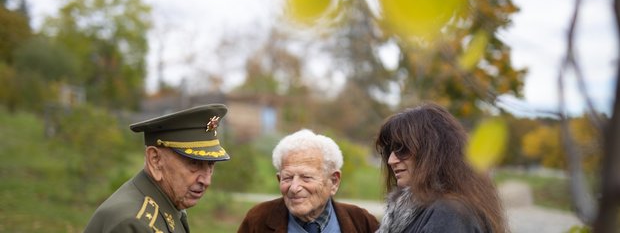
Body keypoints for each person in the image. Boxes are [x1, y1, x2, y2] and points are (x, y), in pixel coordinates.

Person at [84, 104, 231, 233]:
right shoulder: (133, 223)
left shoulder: (165, 204)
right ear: (155, 160)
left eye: (210, 165)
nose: (206, 180)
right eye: (194, 163)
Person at [374, 102, 508, 233]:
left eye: (402, 149)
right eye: (389, 151)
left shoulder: (449, 214)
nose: (391, 160)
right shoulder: (421, 210)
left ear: (431, 152)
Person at [238, 129, 379, 233]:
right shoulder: (258, 220)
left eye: (306, 177)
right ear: (279, 179)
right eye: (287, 178)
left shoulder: (362, 222)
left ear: (334, 181)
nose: (294, 188)